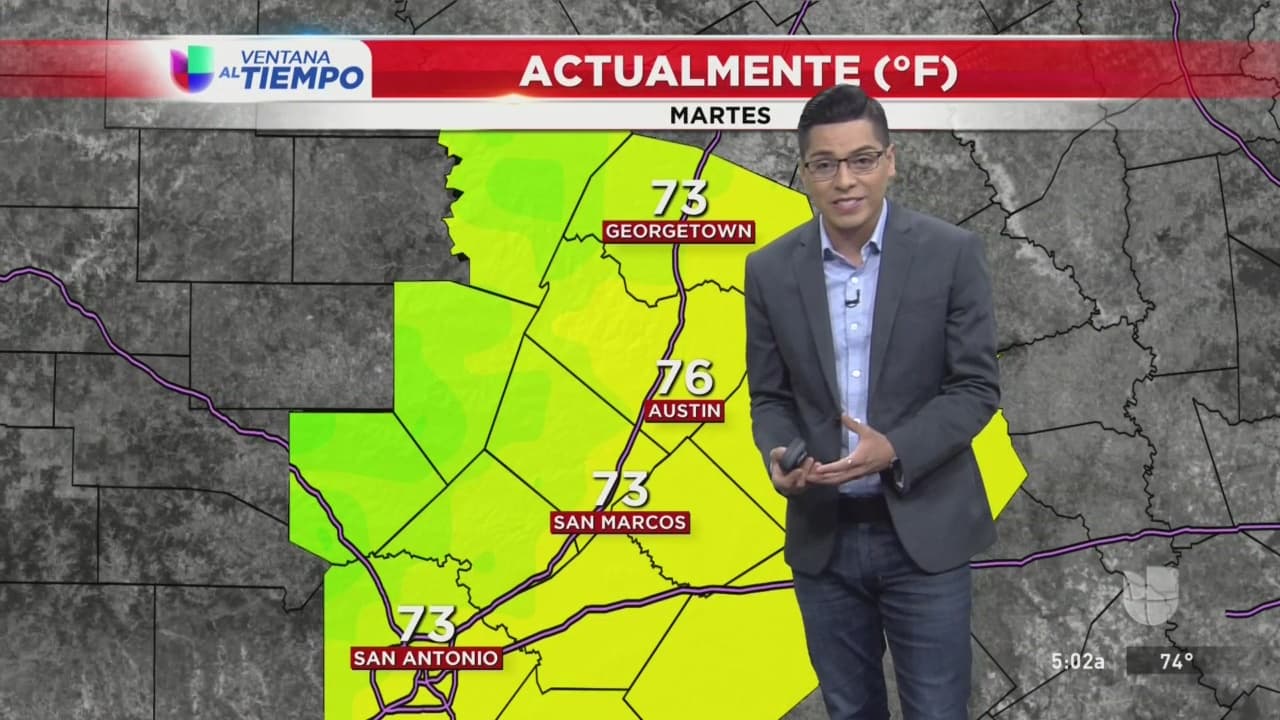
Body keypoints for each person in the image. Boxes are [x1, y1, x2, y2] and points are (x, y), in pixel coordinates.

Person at [743, 84, 1000, 720]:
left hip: (925, 536)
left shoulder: (950, 254)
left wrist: (895, 449)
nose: (845, 180)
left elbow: (975, 388)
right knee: (849, 710)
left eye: (862, 160)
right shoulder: (769, 271)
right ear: (805, 173)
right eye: (825, 164)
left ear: (890, 161)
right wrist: (780, 455)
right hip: (823, 539)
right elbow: (770, 396)